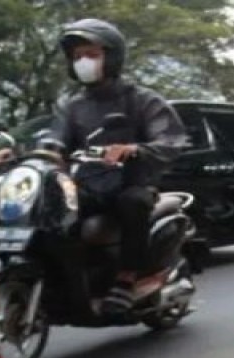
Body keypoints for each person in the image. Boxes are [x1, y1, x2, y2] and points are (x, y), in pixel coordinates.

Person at [47, 18, 188, 315]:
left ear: (112, 57)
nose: (83, 61)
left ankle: (126, 280)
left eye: (92, 54)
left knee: (132, 202)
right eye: (77, 56)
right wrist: (22, 153)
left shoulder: (142, 100)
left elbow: (172, 140)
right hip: (87, 185)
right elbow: (55, 139)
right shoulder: (71, 105)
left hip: (131, 183)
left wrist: (134, 149)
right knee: (52, 206)